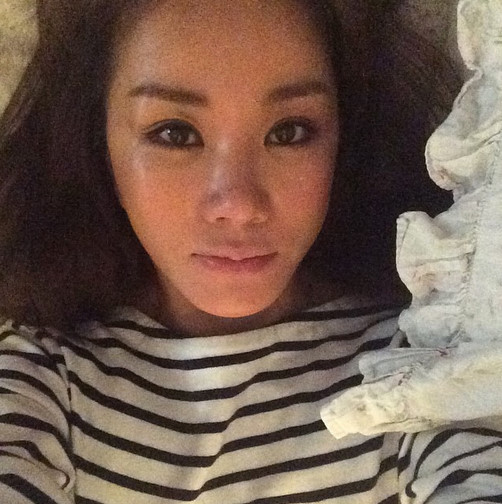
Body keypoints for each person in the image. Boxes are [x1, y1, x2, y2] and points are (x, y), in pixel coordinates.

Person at [0, 0, 500, 503]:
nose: (239, 205)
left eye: (290, 132)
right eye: (175, 133)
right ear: (99, 144)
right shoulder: (42, 377)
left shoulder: (422, 360)